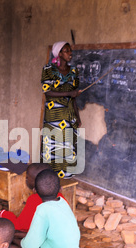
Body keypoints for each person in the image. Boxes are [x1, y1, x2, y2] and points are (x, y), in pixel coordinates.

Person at [9, 169, 81, 248]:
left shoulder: (42, 209)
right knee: (17, 237)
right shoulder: (62, 202)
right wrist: (17, 235)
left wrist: (15, 239)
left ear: (34, 191)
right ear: (60, 188)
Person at [41, 41, 81, 179]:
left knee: (68, 146)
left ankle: (66, 178)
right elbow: (47, 92)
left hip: (69, 115)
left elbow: (74, 96)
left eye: (70, 50)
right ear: (58, 53)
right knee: (53, 146)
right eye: (66, 51)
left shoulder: (74, 71)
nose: (70, 53)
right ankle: (49, 180)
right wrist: (69, 94)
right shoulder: (48, 70)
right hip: (54, 116)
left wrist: (77, 116)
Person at [0, 163, 66, 233]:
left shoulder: (34, 199)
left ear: (36, 182)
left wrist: (3, 213)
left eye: (27, 177)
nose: (26, 179)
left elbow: (20, 226)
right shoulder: (60, 196)